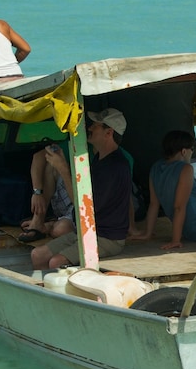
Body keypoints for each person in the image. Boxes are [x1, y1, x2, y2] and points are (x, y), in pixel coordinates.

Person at [30, 109, 132, 269]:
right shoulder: (100, 159)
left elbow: (86, 207)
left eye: (95, 126)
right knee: (37, 255)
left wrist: (63, 169)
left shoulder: (116, 167)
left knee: (55, 262)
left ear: (109, 132)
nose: (90, 129)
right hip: (86, 231)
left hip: (107, 238)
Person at [131, 131, 196, 250]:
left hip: (188, 230)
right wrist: (175, 241)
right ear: (184, 151)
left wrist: (148, 233)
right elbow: (179, 207)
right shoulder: (185, 169)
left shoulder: (156, 168)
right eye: (191, 149)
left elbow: (153, 204)